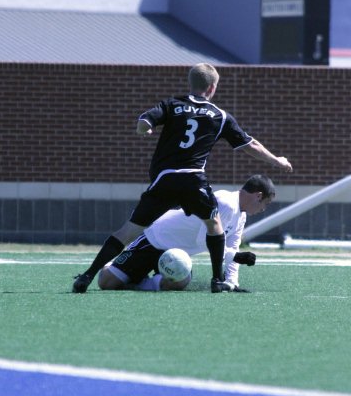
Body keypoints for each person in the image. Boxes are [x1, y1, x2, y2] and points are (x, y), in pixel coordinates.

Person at [72, 63, 292, 294]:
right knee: (214, 225)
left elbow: (145, 121)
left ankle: (87, 276)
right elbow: (250, 144)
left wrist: (143, 129)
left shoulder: (172, 104)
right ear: (213, 87)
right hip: (192, 180)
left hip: (165, 180)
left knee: (127, 231)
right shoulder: (220, 115)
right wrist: (276, 160)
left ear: (191, 83)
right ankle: (216, 280)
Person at [98, 174, 276, 293]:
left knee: (180, 282)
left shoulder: (241, 216)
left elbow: (232, 246)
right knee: (106, 283)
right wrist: (235, 256)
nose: (263, 209)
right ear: (258, 196)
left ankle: (138, 282)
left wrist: (232, 282)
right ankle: (118, 268)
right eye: (265, 204)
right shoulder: (226, 203)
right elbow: (204, 241)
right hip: (155, 241)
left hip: (177, 255)